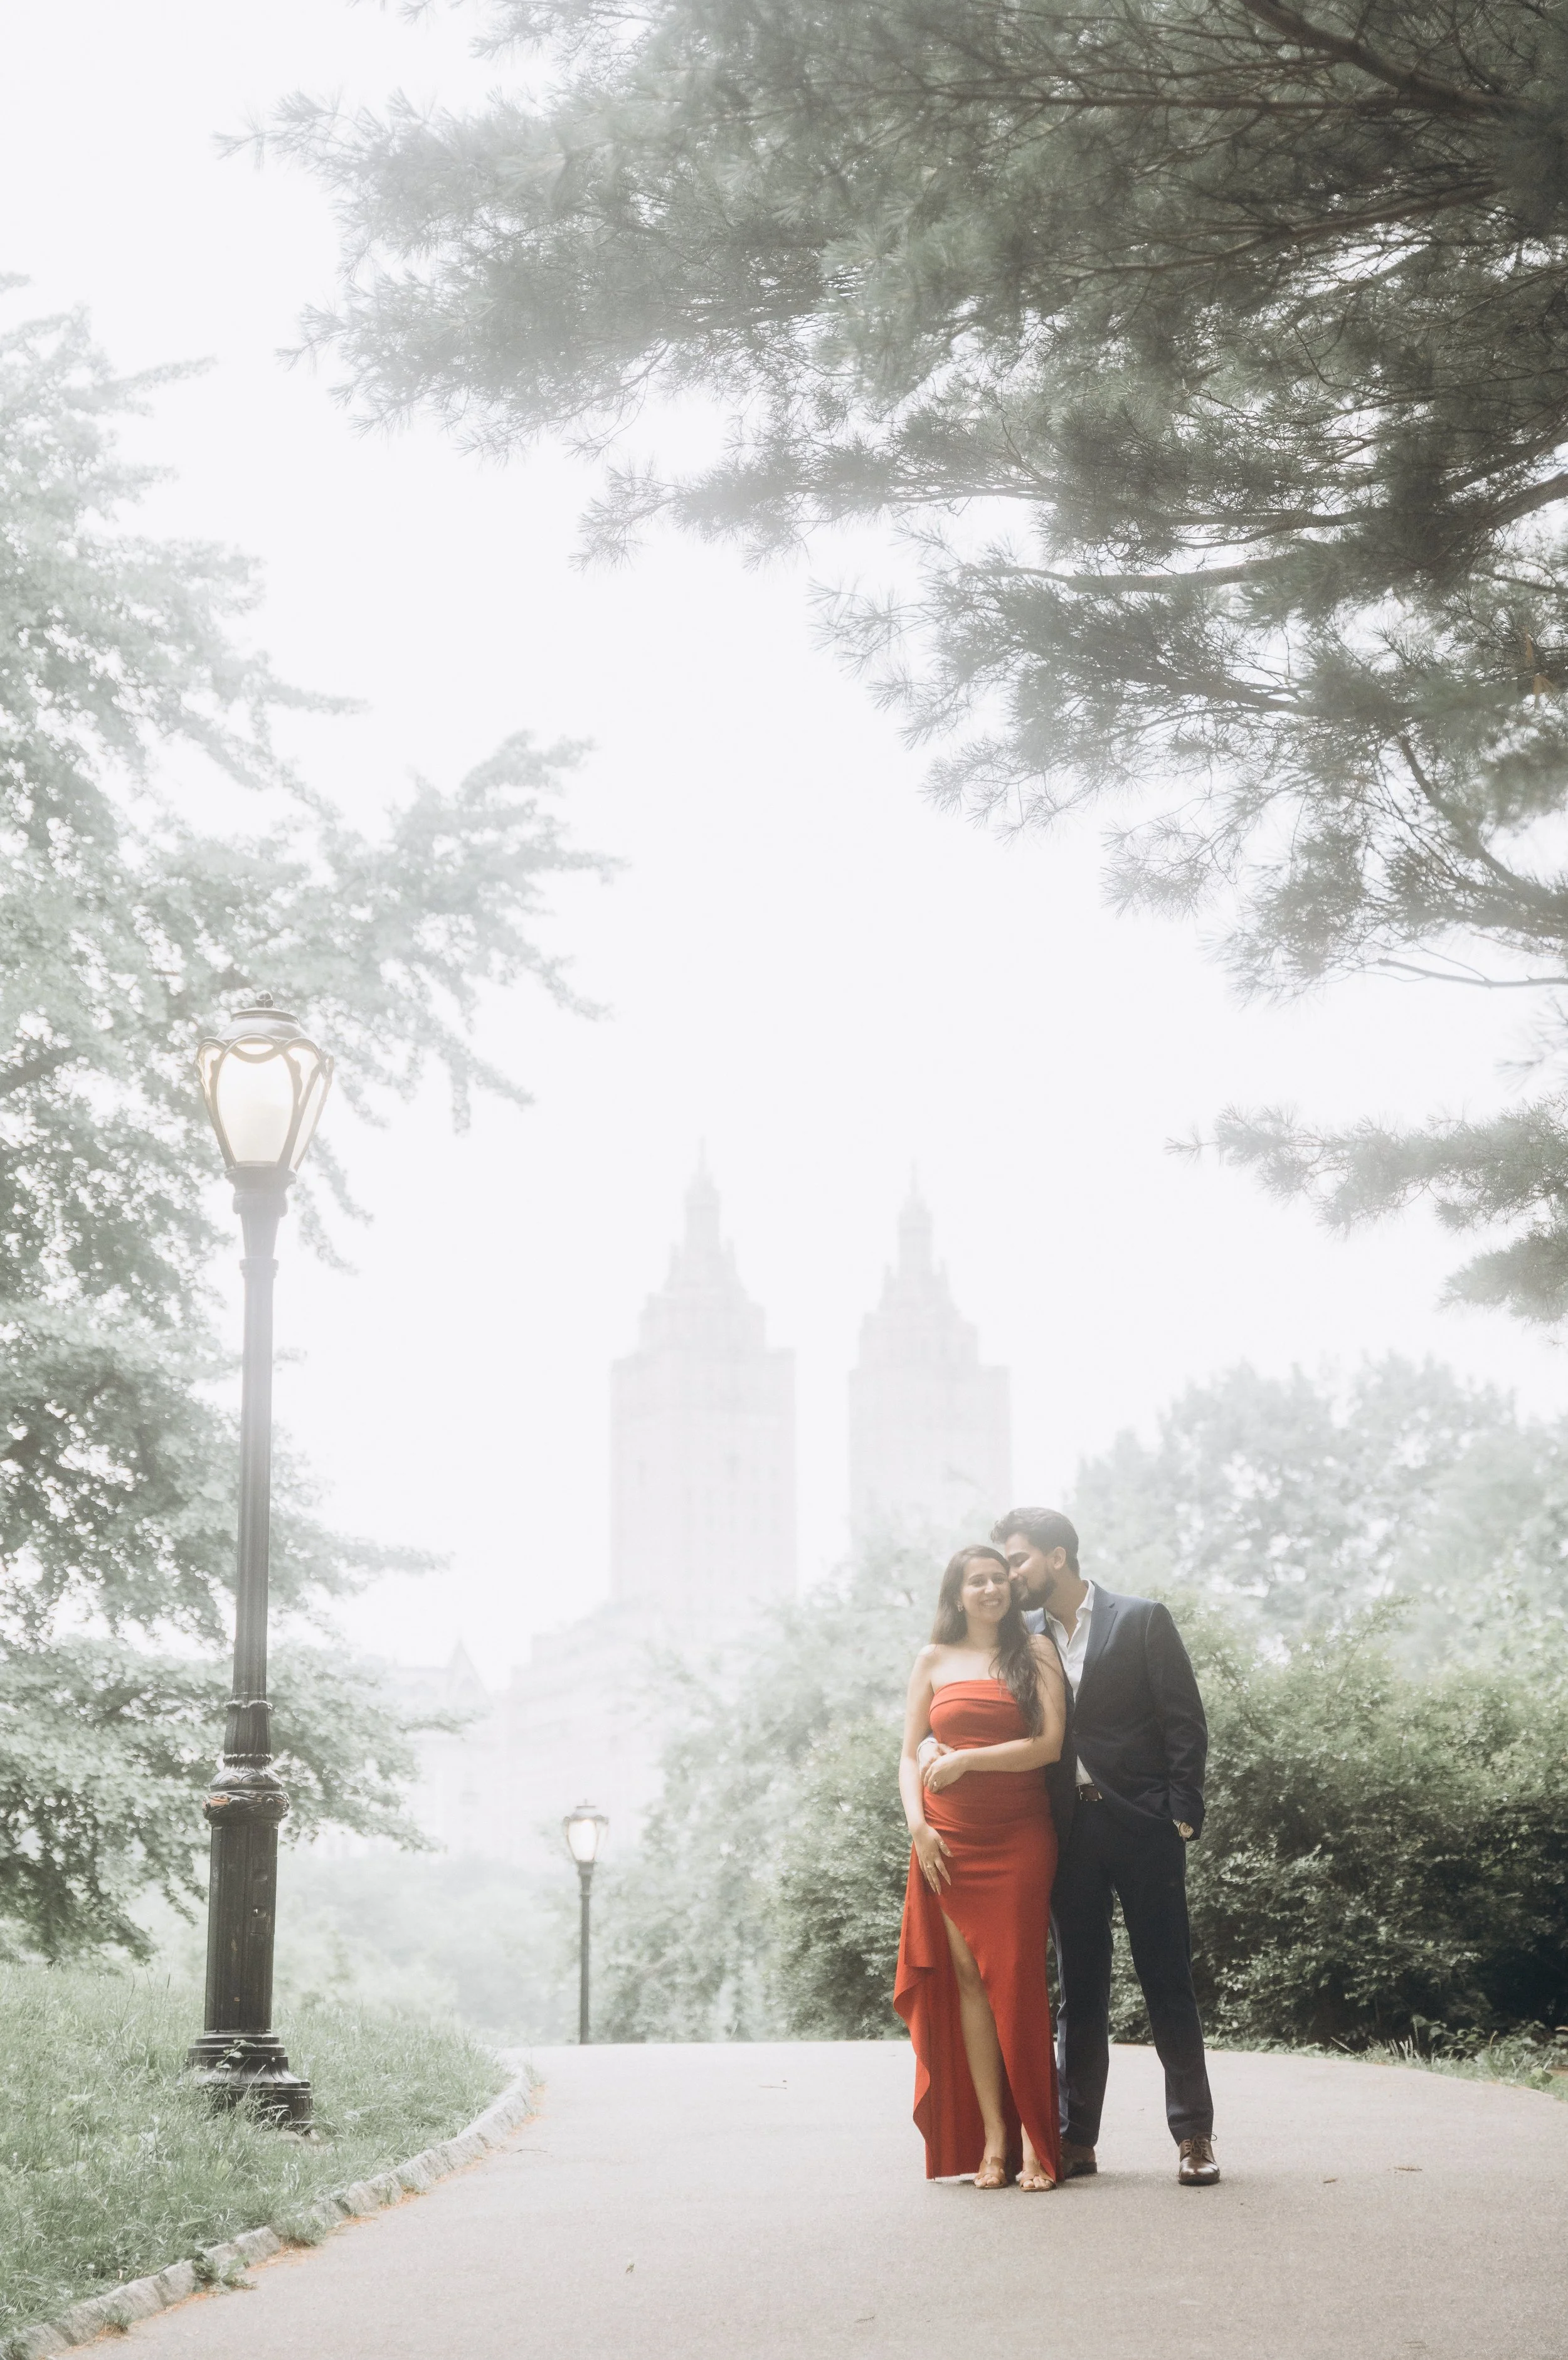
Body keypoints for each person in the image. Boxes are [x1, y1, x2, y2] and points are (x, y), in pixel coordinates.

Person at [992, 1506, 1220, 2188]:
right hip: (1065, 1833)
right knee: (1079, 1990)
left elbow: (1184, 1719)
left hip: (1145, 1827)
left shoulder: (1141, 1618)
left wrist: (1182, 1812)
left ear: (1058, 1556)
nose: (1011, 1574)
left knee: (1167, 1983)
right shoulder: (1021, 1635)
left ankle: (1193, 2136)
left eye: (1020, 1559)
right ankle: (1076, 2139)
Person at [894, 1543, 1068, 2189]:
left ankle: (1034, 2139)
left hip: (1019, 1834)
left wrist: (968, 1760)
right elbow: (910, 1755)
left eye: (1000, 1578)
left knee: (1018, 1979)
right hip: (947, 1839)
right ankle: (994, 2137)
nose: (991, 1588)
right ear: (957, 1593)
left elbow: (1046, 1747)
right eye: (977, 1580)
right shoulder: (932, 1659)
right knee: (967, 1980)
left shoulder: (1037, 1652)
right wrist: (919, 1826)